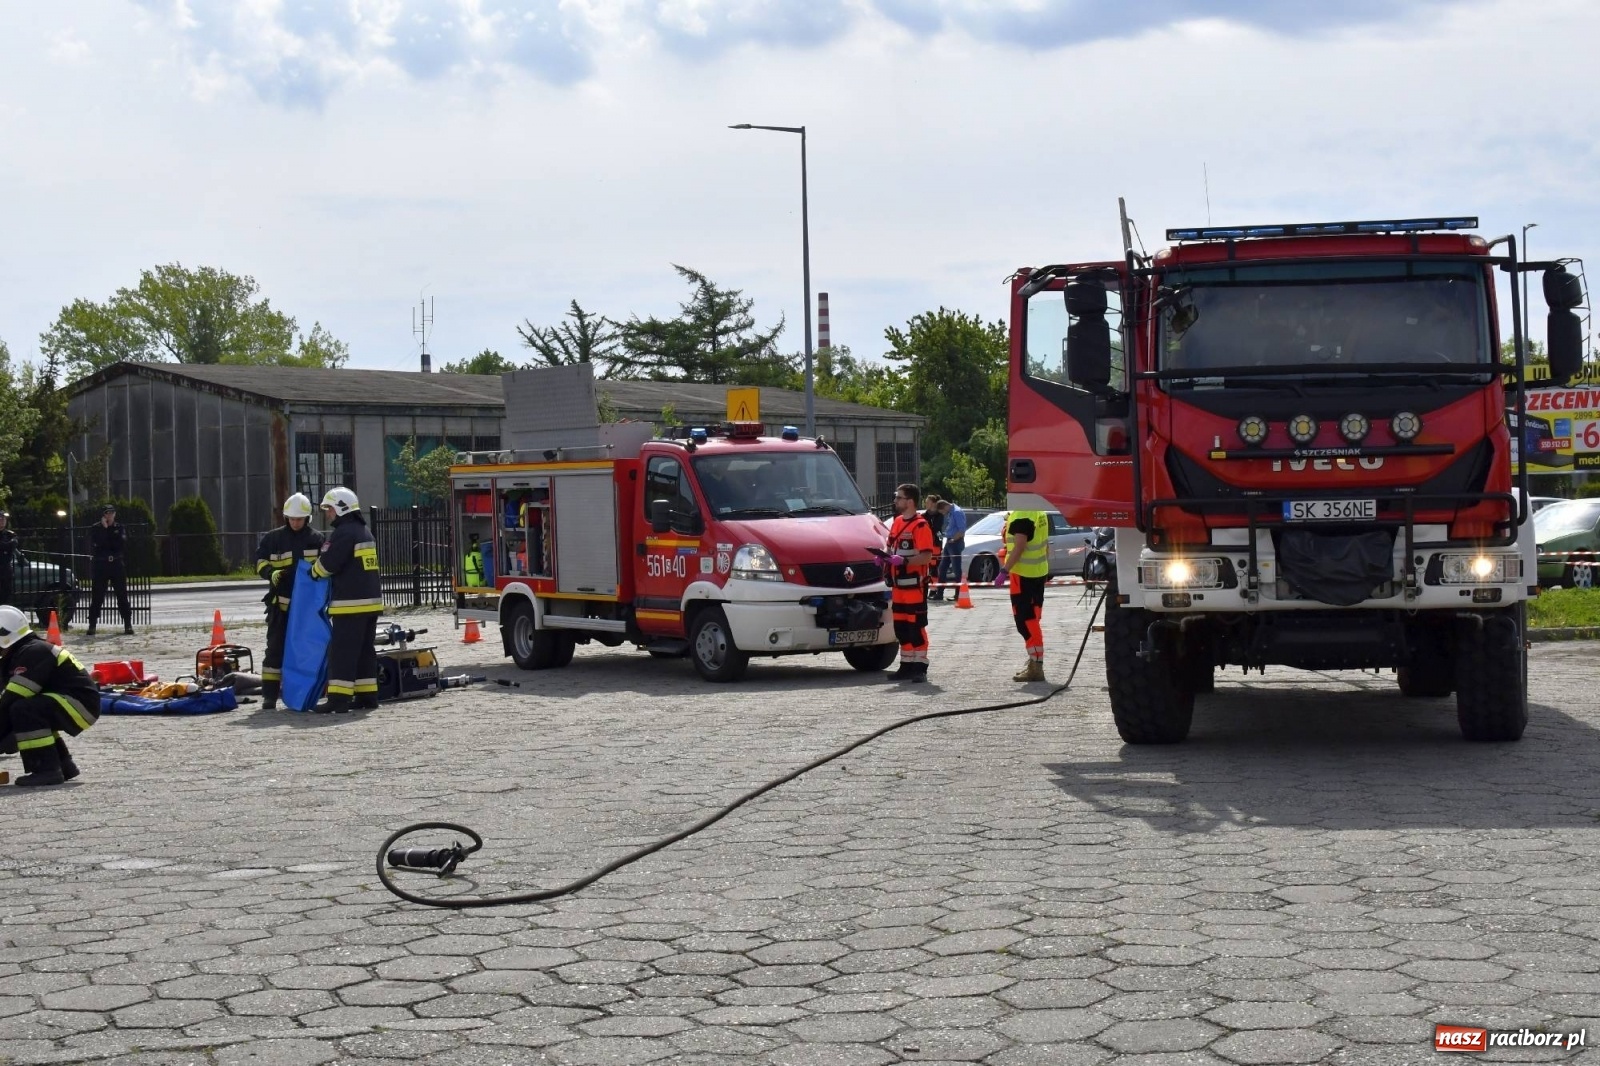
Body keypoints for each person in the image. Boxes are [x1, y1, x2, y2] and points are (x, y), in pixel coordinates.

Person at [0, 604, 98, 786]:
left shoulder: (33, 652)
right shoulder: (17, 654)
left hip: (80, 704)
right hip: (70, 701)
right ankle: (64, 765)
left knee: (24, 709)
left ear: (5, 636)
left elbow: (11, 699)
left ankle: (46, 770)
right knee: (34, 710)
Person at [308, 487, 382, 714]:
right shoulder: (363, 532)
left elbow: (328, 564)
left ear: (341, 508)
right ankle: (367, 696)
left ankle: (338, 700)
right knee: (364, 652)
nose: (328, 513)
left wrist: (313, 572)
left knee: (342, 652)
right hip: (370, 604)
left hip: (350, 605)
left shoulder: (344, 533)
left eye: (330, 508)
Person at [253, 493, 324, 712]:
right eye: (292, 519)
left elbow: (325, 569)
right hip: (280, 607)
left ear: (307, 518)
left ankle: (304, 694)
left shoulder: (317, 539)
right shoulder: (273, 539)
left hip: (307, 610)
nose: (295, 522)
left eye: (299, 519)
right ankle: (269, 697)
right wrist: (270, 574)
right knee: (274, 650)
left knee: (306, 652)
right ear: (286, 518)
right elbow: (258, 561)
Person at [884, 483, 936, 682]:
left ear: (910, 501)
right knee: (901, 627)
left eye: (899, 497)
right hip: (898, 586)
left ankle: (920, 666)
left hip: (915, 585)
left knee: (916, 627)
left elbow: (926, 557)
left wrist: (904, 561)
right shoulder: (897, 522)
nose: (895, 501)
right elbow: (890, 547)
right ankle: (906, 665)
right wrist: (884, 558)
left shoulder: (921, 525)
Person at [999, 506, 1051, 682]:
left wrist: (1004, 570)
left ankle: (1036, 665)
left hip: (1023, 575)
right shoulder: (1039, 510)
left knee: (1026, 622)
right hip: (1037, 572)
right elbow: (1045, 545)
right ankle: (1034, 661)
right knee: (1032, 619)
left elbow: (1020, 546)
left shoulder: (1023, 514)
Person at [87, 504, 132, 636]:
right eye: (107, 513)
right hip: (101, 565)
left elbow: (120, 544)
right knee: (97, 596)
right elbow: (97, 544)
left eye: (112, 512)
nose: (110, 515)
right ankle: (92, 625)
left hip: (116, 564)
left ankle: (127, 624)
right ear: (103, 515)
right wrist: (105, 530)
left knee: (122, 595)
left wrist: (110, 533)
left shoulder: (119, 527)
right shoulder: (96, 528)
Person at [935, 498, 967, 596]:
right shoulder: (951, 512)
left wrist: (953, 539)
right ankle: (939, 593)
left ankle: (959, 594)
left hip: (955, 542)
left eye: (942, 512)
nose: (943, 514)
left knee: (956, 569)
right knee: (942, 568)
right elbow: (952, 528)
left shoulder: (957, 512)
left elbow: (962, 530)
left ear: (945, 507)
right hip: (950, 542)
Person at [922, 494, 946, 599]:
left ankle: (933, 590)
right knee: (925, 568)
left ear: (933, 503)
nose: (925, 504)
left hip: (935, 545)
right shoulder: (923, 516)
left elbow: (936, 528)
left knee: (934, 568)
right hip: (924, 545)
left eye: (927, 502)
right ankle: (925, 589)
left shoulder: (939, 516)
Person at [0, 511, 16, 606]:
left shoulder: (10, 535)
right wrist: (7, 545)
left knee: (6, 596)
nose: (2, 521)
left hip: (6, 570)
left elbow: (13, 545)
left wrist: (5, 546)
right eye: (0, 519)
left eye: (3, 519)